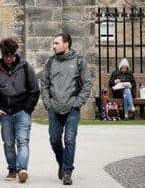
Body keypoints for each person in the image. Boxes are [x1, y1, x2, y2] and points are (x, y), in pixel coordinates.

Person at [40, 34, 92, 186]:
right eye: (53, 43)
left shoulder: (79, 60)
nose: (53, 46)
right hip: (54, 108)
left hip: (72, 108)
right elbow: (44, 84)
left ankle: (67, 172)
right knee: (54, 140)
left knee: (69, 140)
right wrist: (48, 104)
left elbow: (87, 83)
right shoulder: (50, 62)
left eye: (56, 43)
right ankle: (62, 163)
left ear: (66, 44)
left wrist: (78, 102)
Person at [0, 38, 39, 184]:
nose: (9, 59)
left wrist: (28, 108)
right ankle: (12, 169)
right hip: (5, 112)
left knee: (23, 141)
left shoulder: (25, 67)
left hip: (22, 111)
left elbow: (34, 90)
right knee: (9, 143)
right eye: (6, 56)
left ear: (15, 54)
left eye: (11, 56)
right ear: (3, 55)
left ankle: (22, 169)